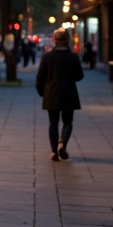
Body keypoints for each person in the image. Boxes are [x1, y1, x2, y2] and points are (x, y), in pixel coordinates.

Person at [36, 27, 84, 161]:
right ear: (67, 40)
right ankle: (62, 143)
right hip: (69, 93)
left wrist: (42, 92)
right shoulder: (73, 57)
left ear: (54, 40)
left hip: (51, 93)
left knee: (53, 122)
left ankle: (53, 151)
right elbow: (79, 76)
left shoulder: (47, 56)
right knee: (67, 121)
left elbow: (40, 77)